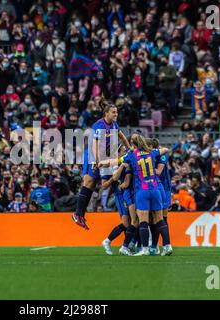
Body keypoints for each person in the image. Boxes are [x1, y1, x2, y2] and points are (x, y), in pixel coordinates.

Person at [72, 97, 131, 230]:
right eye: (114, 112)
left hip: (104, 155)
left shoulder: (114, 124)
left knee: (92, 184)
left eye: (116, 112)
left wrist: (129, 149)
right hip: (93, 155)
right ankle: (78, 214)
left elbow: (121, 136)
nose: (116, 114)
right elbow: (95, 145)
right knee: (88, 182)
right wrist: (98, 161)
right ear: (107, 114)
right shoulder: (99, 125)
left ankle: (79, 214)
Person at [117, 134, 172, 256]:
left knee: (143, 221)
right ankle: (167, 246)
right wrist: (155, 150)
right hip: (156, 188)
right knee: (159, 219)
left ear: (134, 145)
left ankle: (145, 249)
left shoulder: (132, 155)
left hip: (142, 190)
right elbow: (166, 150)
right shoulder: (152, 153)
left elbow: (117, 160)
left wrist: (102, 162)